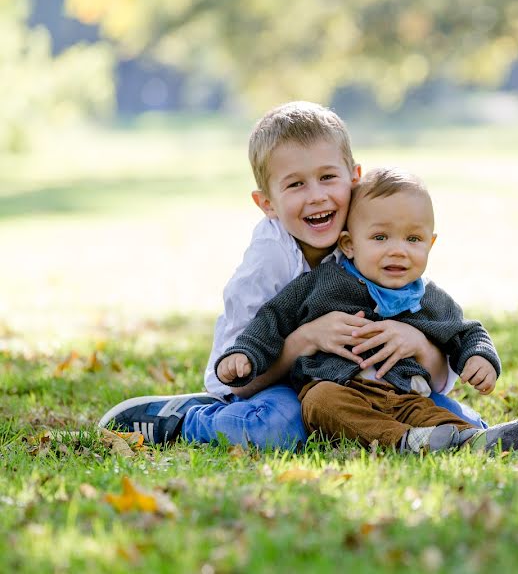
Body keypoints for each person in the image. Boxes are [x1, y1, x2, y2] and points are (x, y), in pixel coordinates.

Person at [98, 101, 487, 449]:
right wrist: (304, 340)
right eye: (296, 184)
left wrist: (417, 341)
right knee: (281, 429)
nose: (316, 195)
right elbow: (235, 379)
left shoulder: (372, 235)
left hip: (373, 387)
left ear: (354, 178)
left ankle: (439, 437)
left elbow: (440, 357)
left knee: (459, 420)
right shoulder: (268, 262)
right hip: (279, 387)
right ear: (266, 203)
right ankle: (187, 420)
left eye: (328, 178)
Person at [216, 167, 518, 453]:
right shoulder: (324, 283)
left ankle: (470, 441)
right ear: (349, 244)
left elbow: (465, 331)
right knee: (320, 403)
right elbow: (274, 316)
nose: (398, 251)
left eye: (413, 239)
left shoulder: (427, 296)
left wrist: (479, 357)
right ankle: (404, 441)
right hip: (337, 389)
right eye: (380, 237)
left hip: (403, 395)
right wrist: (246, 353)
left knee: (433, 414)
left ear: (430, 243)